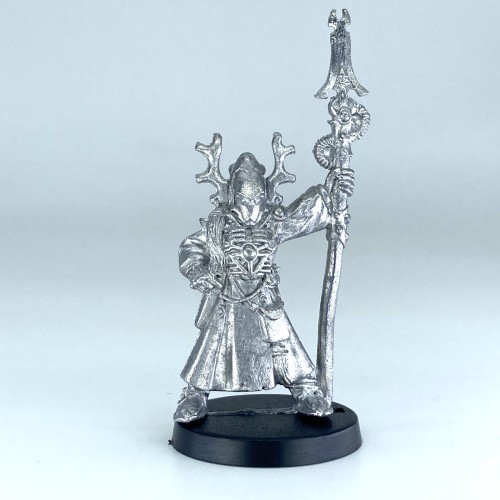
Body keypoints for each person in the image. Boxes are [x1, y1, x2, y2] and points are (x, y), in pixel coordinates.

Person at [174, 151, 346, 422]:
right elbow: (192, 247)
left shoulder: (274, 222)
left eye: (256, 198)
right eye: (244, 199)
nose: (250, 205)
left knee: (284, 344)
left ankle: (305, 390)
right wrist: (199, 270)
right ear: (232, 195)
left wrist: (334, 190)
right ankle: (194, 395)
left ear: (266, 194)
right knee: (212, 348)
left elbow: (306, 214)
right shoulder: (219, 225)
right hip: (228, 296)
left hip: (265, 297)